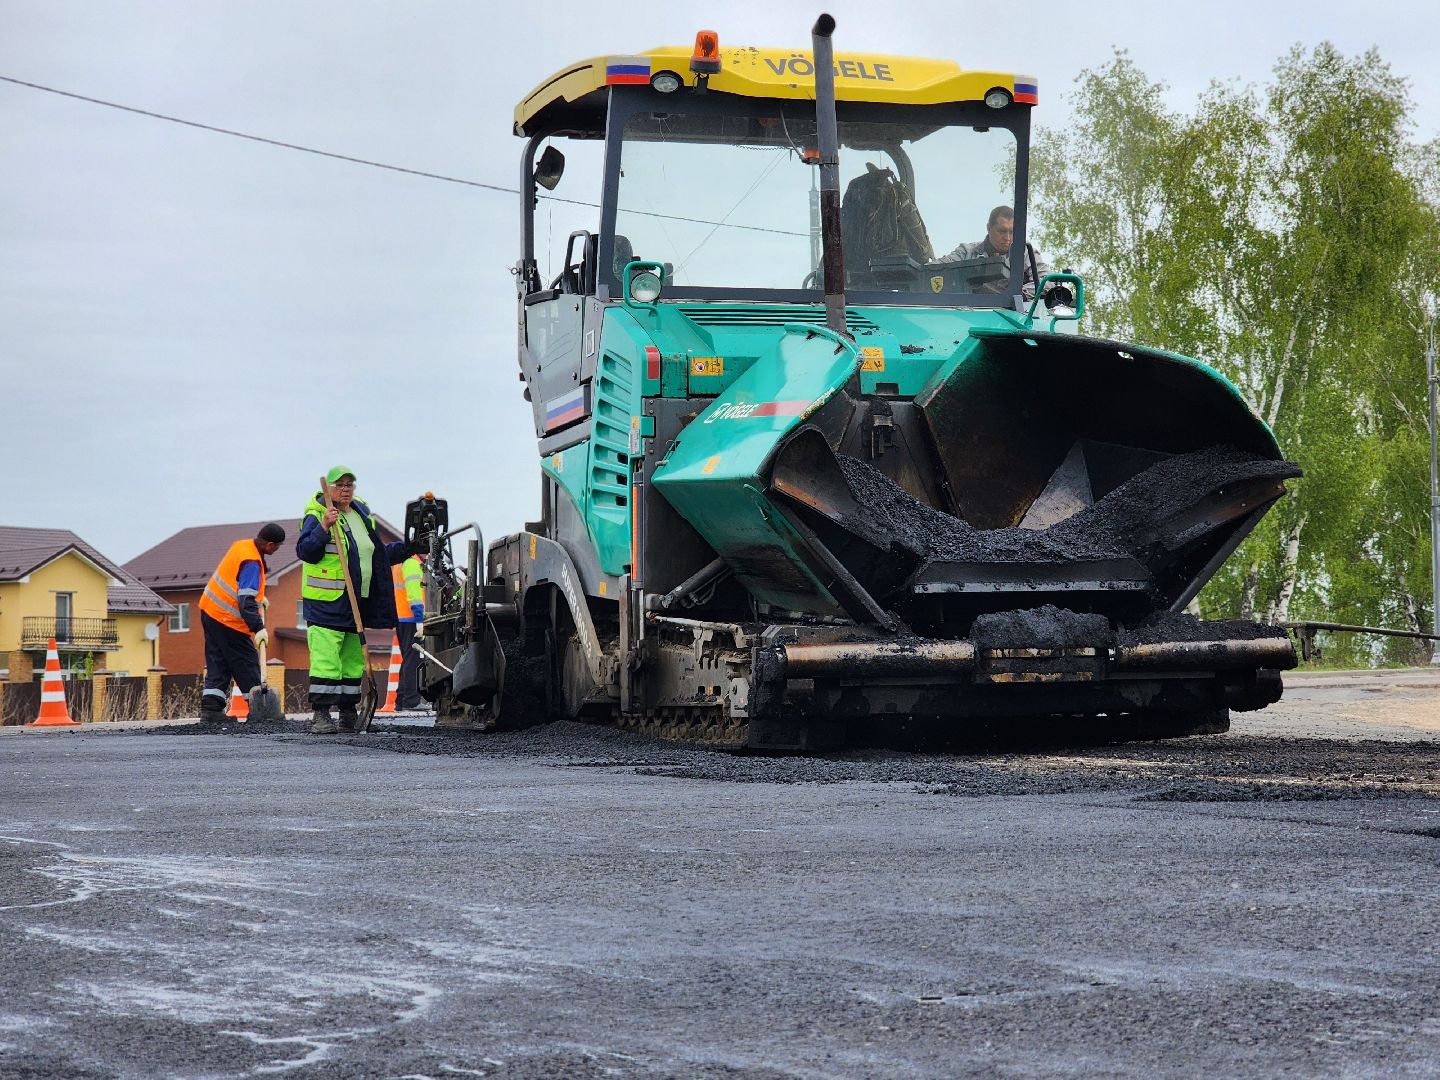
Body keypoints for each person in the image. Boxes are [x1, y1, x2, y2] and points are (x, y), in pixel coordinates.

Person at [296, 466, 414, 734]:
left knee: (352, 660)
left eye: (350, 484)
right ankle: (321, 715)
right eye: (340, 484)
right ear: (329, 488)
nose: (346, 489)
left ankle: (348, 713)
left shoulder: (361, 515)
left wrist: (409, 547)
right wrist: (324, 526)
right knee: (327, 660)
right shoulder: (316, 515)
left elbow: (378, 554)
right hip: (327, 602)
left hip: (356, 602)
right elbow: (306, 551)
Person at [198, 523, 285, 722]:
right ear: (270, 545)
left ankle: (211, 710)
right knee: (245, 661)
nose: (276, 550)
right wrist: (258, 628)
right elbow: (245, 600)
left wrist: (258, 600)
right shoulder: (252, 562)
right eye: (277, 547)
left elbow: (236, 584)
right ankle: (261, 710)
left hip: (210, 611)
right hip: (229, 620)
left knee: (218, 661)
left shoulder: (241, 546)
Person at [940, 204, 1051, 300]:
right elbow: (939, 266)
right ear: (989, 228)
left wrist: (1018, 295)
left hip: (1015, 317)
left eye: (1012, 232)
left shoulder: (1026, 253)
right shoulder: (966, 252)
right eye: (1002, 231)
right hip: (971, 314)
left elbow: (1046, 281)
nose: (1007, 238)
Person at [391, 552, 425, 711]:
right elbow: (415, 594)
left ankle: (401, 700)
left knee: (408, 660)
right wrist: (420, 618)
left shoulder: (401, 562)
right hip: (411, 618)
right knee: (413, 660)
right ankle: (411, 700)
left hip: (403, 618)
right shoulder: (412, 564)